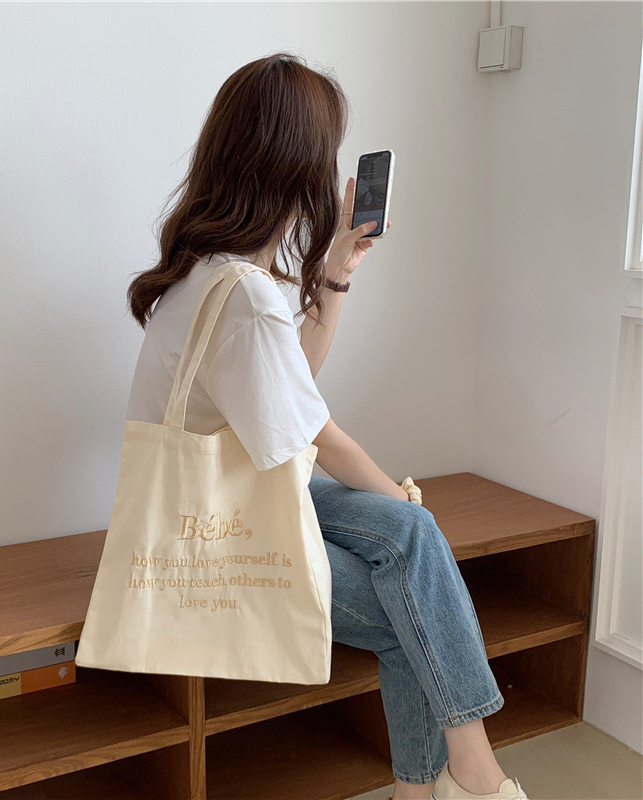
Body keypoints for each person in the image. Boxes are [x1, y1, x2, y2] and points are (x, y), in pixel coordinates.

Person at [124, 52, 529, 800]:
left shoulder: (209, 270)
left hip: (241, 495)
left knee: (413, 548)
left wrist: (337, 268)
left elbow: (291, 394)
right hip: (214, 537)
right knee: (415, 594)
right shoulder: (242, 295)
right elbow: (320, 434)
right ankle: (470, 777)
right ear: (296, 166)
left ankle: (456, 779)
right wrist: (404, 497)